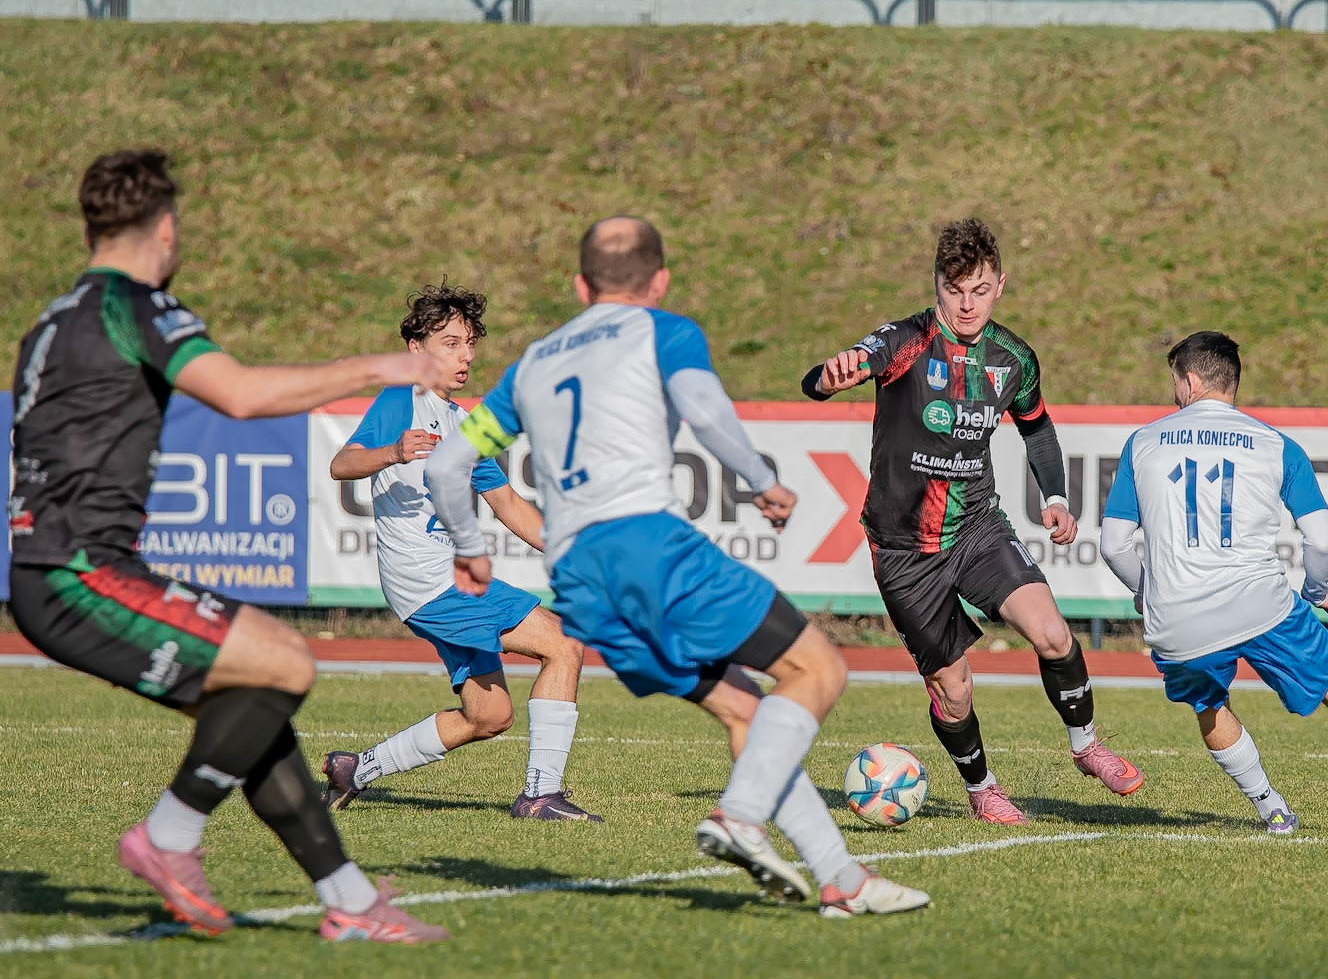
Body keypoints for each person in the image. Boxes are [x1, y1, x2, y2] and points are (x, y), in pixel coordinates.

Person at [425, 216, 929, 918]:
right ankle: (739, 817)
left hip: (579, 582)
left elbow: (447, 465)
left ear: (580, 285)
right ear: (659, 281)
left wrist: (469, 546)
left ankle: (841, 878)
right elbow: (706, 411)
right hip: (646, 546)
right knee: (819, 670)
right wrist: (760, 480)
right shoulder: (663, 331)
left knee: (747, 710)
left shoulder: (532, 362)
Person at [7, 149, 450, 942]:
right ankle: (168, 836)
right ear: (165, 228)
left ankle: (349, 899)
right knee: (286, 660)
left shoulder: (55, 315)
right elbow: (239, 395)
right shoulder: (134, 306)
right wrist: (374, 365)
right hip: (81, 570)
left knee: (252, 708)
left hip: (52, 568)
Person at [801, 219, 1144, 825]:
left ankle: (1087, 746)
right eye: (954, 289)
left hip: (977, 526)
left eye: (980, 291)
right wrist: (830, 377)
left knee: (1053, 634)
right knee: (953, 690)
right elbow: (827, 377)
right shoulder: (905, 341)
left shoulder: (1013, 358)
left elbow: (1036, 426)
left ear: (1000, 286)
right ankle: (982, 787)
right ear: (936, 283)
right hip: (904, 550)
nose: (967, 304)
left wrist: (1055, 496)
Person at [1098, 331, 1328, 842]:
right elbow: (1322, 539)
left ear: (1192, 380)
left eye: (1174, 380)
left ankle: (1272, 810)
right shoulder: (1275, 444)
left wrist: (1147, 592)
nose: (1174, 391)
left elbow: (1114, 545)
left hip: (1177, 619)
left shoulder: (1143, 442)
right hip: (1260, 605)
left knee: (1208, 705)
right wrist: (1315, 588)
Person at [320, 284, 597, 822]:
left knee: (489, 716)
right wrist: (392, 452)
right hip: (430, 582)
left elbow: (508, 504)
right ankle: (540, 795)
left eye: (469, 343)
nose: (465, 355)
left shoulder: (464, 424)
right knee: (564, 643)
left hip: (442, 585)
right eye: (450, 343)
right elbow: (341, 465)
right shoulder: (401, 400)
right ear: (415, 349)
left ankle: (357, 770)